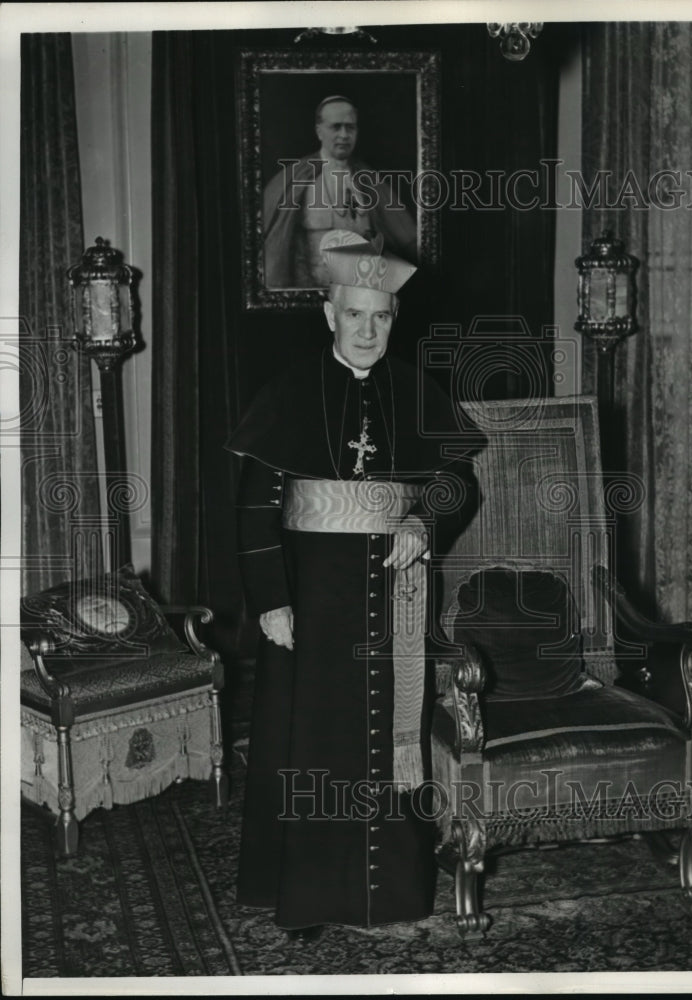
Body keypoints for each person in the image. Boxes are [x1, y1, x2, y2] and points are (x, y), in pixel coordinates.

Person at [226, 230, 478, 935]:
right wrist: (271, 600)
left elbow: (457, 480)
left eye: (382, 316)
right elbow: (253, 505)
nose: (368, 329)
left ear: (393, 320)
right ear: (330, 314)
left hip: (394, 595)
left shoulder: (414, 390)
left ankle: (390, 893)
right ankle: (307, 896)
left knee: (391, 742)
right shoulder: (289, 390)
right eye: (356, 314)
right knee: (310, 739)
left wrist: (423, 522)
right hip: (312, 599)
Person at [262, 95, 418, 288]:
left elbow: (397, 242)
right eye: (336, 127)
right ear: (319, 131)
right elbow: (281, 251)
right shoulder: (294, 181)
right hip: (312, 296)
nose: (344, 135)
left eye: (350, 127)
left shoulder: (370, 183)